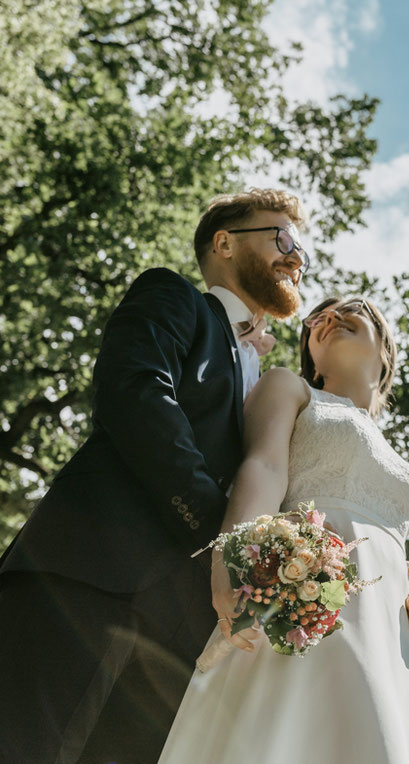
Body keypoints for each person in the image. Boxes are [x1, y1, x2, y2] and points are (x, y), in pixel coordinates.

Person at [0, 188, 309, 763]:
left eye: (301, 251)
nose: (295, 257)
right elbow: (135, 395)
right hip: (85, 577)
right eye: (282, 238)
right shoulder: (174, 297)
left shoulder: (275, 386)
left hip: (179, 646)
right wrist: (220, 536)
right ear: (224, 242)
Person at [158, 294, 409, 763]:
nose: (332, 317)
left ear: (385, 350)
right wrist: (230, 558)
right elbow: (262, 468)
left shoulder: (396, 457)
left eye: (352, 308)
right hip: (304, 598)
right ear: (310, 356)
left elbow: (393, 550)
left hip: (394, 635)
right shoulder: (293, 389)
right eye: (318, 318)